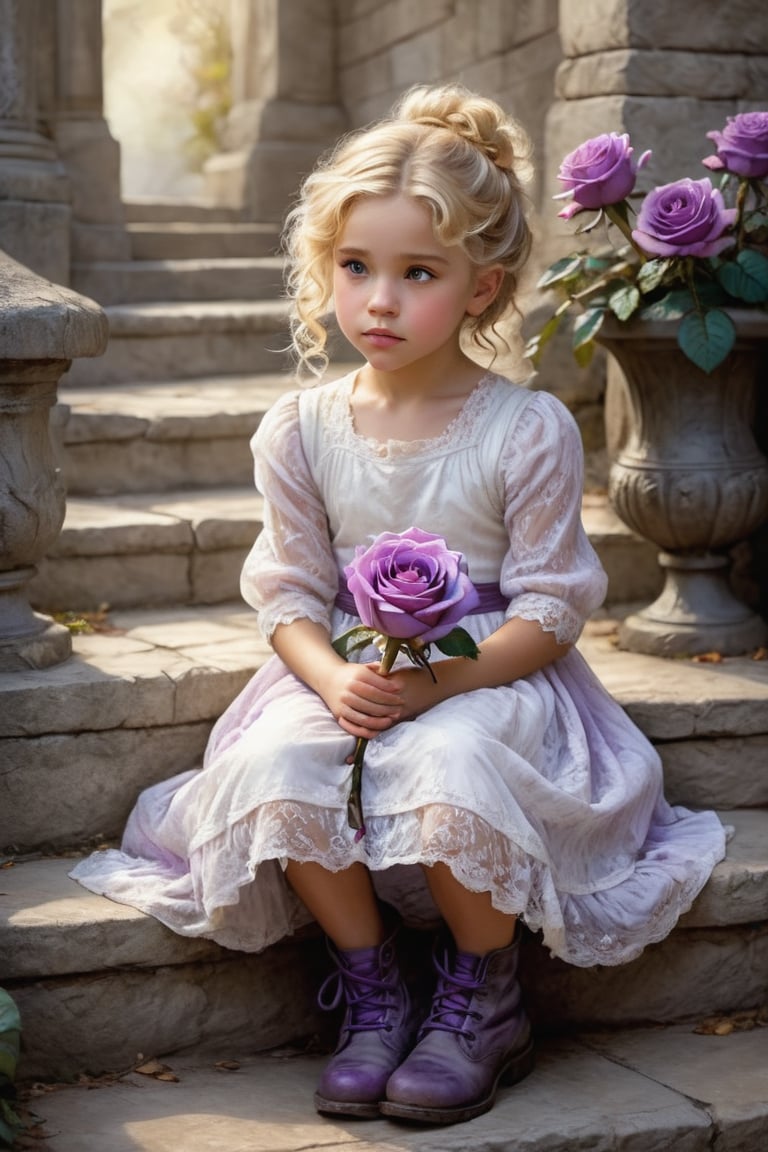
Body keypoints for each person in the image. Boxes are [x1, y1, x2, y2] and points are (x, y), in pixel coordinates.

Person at [71, 84, 727, 1127]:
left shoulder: (527, 428)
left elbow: (554, 605)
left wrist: (441, 679)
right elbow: (287, 591)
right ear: (325, 269)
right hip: (347, 666)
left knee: (449, 758)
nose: (379, 299)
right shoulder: (300, 428)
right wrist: (334, 677)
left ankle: (485, 989)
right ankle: (374, 986)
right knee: (277, 760)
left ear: (482, 287)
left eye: (418, 273)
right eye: (356, 268)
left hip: (495, 666)